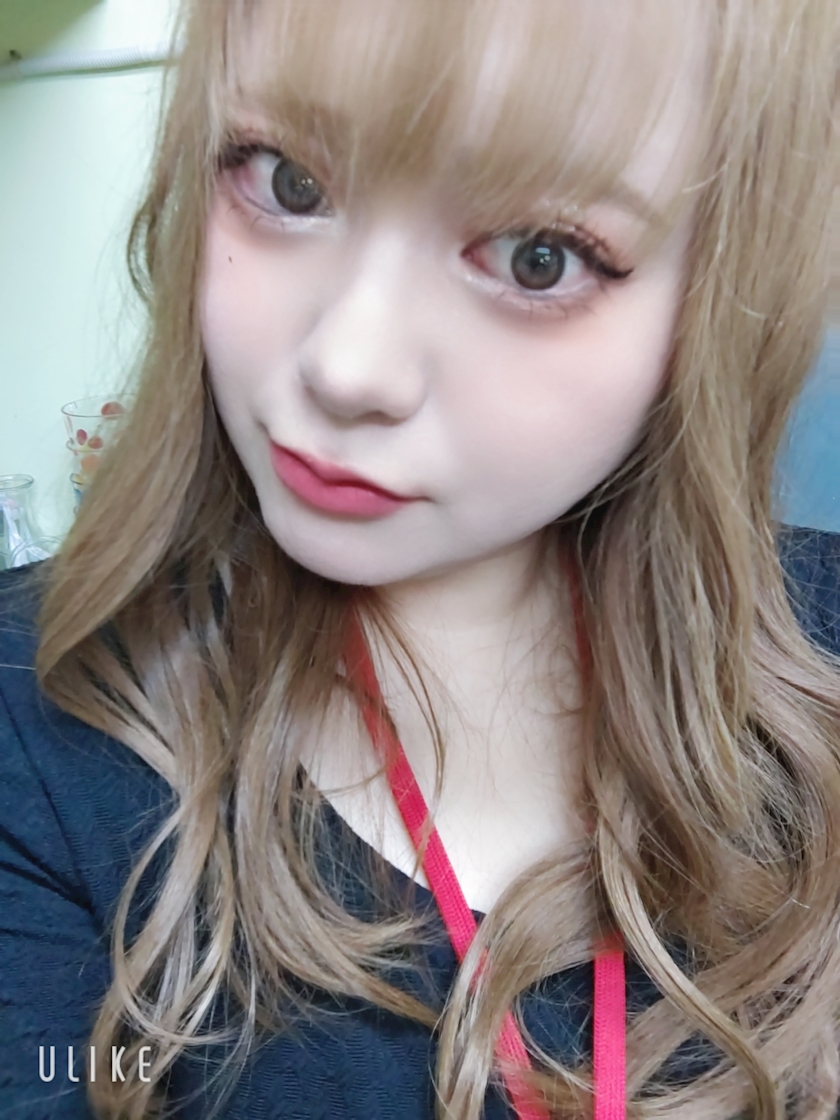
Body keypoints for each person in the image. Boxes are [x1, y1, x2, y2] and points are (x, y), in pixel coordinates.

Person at [1, 0, 839, 1117]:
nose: (348, 365)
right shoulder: (34, 715)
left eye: (539, 258)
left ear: (722, 303)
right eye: (288, 181)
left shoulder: (825, 650)